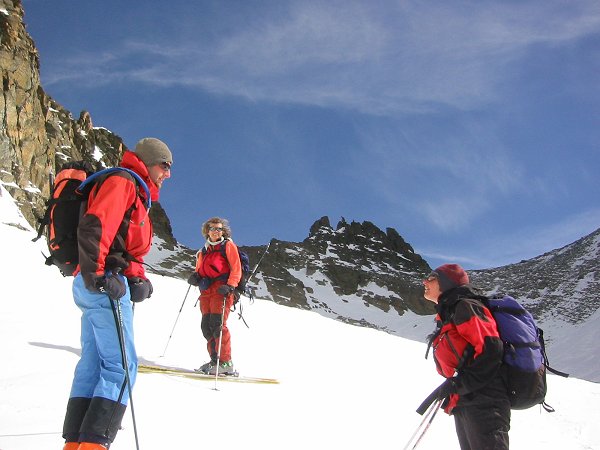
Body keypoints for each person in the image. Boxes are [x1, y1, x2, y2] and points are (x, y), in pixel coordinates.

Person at [62, 138, 173, 450]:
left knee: (94, 364)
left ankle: (75, 445)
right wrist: (98, 274)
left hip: (99, 282)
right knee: (122, 368)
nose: (168, 173)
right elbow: (97, 227)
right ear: (149, 161)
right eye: (165, 165)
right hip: (103, 285)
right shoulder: (123, 182)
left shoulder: (135, 192)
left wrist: (138, 278)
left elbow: (126, 247)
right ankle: (94, 445)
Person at [422, 263, 510, 450]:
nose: (425, 281)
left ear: (446, 282)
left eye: (431, 277)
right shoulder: (452, 311)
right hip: (468, 399)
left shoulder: (466, 306)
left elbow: (491, 348)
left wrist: (460, 383)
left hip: (485, 401)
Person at [187, 217, 241, 375]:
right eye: (213, 228)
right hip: (206, 292)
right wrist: (195, 277)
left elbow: (236, 268)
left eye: (219, 229)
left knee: (218, 326)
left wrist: (230, 286)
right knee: (207, 326)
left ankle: (226, 362)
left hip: (221, 290)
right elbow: (199, 270)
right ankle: (215, 360)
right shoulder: (203, 251)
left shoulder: (227, 246)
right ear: (207, 231)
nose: (216, 231)